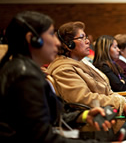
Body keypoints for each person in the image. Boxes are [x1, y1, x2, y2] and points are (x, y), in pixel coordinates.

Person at [0, 11, 112, 142]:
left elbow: (48, 117)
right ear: (33, 39)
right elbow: (42, 137)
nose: (58, 43)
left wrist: (83, 116)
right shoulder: (25, 76)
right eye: (51, 34)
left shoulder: (27, 70)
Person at [46, 21, 126, 143]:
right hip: (93, 122)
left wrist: (122, 103)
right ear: (68, 44)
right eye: (82, 37)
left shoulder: (82, 63)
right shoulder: (64, 69)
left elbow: (108, 89)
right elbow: (84, 99)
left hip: (108, 111)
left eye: (86, 37)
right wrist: (119, 102)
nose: (88, 41)